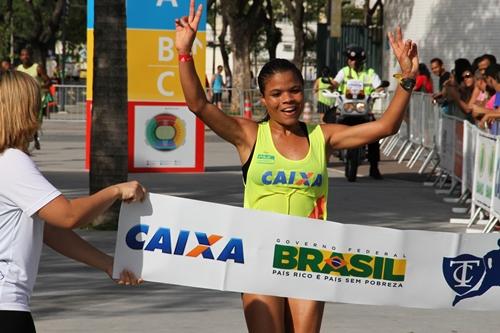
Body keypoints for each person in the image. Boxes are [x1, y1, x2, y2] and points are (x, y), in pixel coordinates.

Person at [175, 1, 418, 331]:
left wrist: (407, 78)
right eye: (276, 94)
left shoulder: (323, 136)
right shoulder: (248, 135)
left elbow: (385, 127)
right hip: (258, 255)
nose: (287, 99)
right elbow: (198, 104)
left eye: (293, 91)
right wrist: (184, 53)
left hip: (308, 258)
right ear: (264, 99)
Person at [0, 70, 146, 332]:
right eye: (37, 103)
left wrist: (106, 263)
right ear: (22, 109)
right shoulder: (12, 162)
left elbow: (50, 229)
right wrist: (115, 191)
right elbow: (68, 216)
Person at [331, 45, 384, 179]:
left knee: (374, 135)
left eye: (357, 59)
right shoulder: (343, 72)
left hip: (363, 110)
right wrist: (331, 86)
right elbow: (335, 83)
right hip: (345, 109)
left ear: (363, 60)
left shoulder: (370, 73)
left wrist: (380, 92)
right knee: (330, 124)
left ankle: (374, 167)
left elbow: (379, 87)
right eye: (351, 59)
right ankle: (330, 151)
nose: (353, 61)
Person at [16, 48, 51, 150]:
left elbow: (48, 82)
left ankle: (35, 138)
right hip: (23, 100)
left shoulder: (37, 68)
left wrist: (38, 87)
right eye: (22, 55)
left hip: (37, 101)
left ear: (30, 56)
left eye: (27, 55)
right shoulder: (18, 69)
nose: (25, 57)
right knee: (23, 122)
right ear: (20, 57)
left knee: (34, 123)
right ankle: (25, 143)